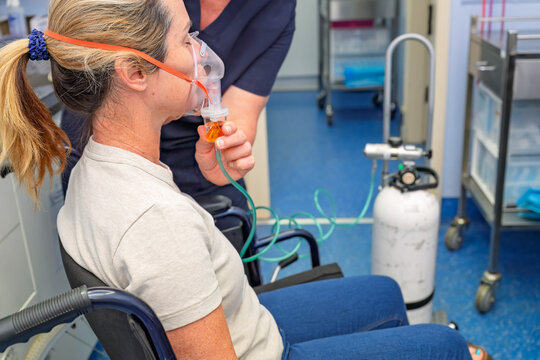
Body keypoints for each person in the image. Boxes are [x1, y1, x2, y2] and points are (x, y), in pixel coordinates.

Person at [0, 0, 472, 359]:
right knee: (444, 347)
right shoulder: (156, 221)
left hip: (241, 316)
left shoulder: (98, 172)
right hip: (260, 347)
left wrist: (218, 161)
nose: (201, 54)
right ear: (135, 73)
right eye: (187, 40)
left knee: (386, 293)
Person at [60, 0, 296, 214]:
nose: (203, 63)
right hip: (110, 142)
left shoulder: (274, 9)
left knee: (230, 230)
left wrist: (224, 152)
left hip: (198, 163)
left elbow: (239, 115)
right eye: (186, 41)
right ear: (136, 71)